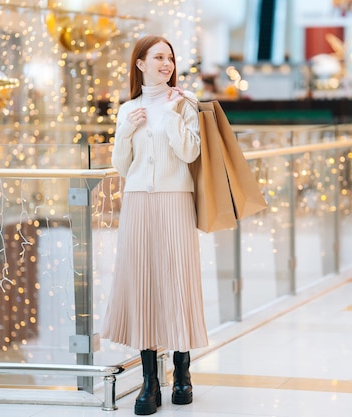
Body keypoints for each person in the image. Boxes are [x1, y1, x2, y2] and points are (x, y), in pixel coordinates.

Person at [101, 35, 209, 415]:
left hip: (175, 200)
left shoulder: (185, 103)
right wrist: (127, 131)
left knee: (177, 281)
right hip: (136, 203)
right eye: (158, 57)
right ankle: (150, 380)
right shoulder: (127, 109)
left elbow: (190, 152)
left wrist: (172, 117)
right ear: (140, 63)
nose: (166, 64)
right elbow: (121, 166)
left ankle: (182, 372)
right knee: (142, 282)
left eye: (170, 58)